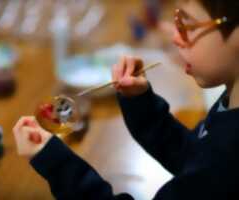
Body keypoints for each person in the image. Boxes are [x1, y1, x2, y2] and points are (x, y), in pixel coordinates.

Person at [13, 0, 239, 199]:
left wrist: (57, 165)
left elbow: (208, 168)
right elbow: (191, 156)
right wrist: (140, 103)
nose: (175, 36)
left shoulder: (227, 160)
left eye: (187, 24)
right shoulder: (231, 105)